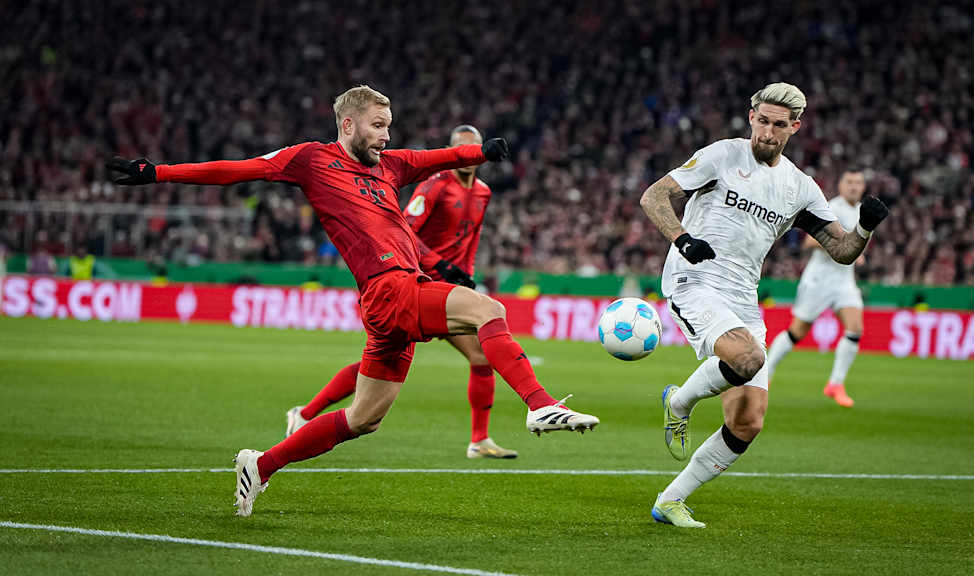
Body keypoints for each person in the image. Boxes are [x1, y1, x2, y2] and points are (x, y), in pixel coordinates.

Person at [108, 85, 599, 517]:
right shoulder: (311, 159)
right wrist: (160, 173)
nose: (386, 135)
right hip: (388, 285)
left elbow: (434, 157)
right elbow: (239, 170)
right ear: (348, 123)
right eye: (378, 125)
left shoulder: (390, 165)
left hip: (391, 296)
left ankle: (261, 464)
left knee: (364, 419)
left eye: (390, 126)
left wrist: (480, 154)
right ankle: (539, 406)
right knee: (490, 310)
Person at [638, 82, 888, 528]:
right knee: (748, 356)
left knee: (748, 421)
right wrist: (682, 239)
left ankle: (671, 500)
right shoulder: (721, 155)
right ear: (751, 116)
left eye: (779, 125)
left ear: (795, 127)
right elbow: (654, 196)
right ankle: (679, 404)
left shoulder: (799, 187)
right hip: (693, 278)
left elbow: (842, 250)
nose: (767, 133)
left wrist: (865, 227)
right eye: (762, 121)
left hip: (742, 298)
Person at [286, 124, 518, 459]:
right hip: (416, 283)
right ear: (453, 150)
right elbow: (404, 231)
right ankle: (305, 413)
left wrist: (464, 274)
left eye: (475, 148)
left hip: (452, 287)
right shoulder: (435, 185)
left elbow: (471, 238)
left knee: (402, 361)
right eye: (462, 148)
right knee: (391, 363)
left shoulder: (483, 191)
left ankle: (479, 440)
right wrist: (441, 265)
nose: (469, 156)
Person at [763, 169, 870, 407]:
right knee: (798, 331)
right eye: (849, 181)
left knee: (855, 328)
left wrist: (857, 254)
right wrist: (846, 247)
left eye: (858, 182)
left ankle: (835, 384)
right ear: (841, 185)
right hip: (819, 280)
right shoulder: (832, 208)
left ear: (863, 187)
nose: (853, 187)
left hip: (844, 280)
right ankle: (766, 373)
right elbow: (810, 241)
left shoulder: (862, 211)